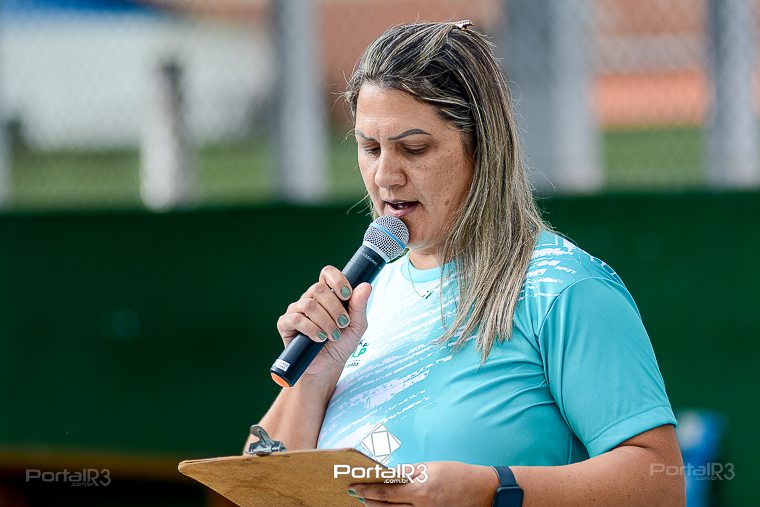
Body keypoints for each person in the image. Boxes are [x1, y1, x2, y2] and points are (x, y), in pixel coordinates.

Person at [247, 21, 685, 506]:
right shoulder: (365, 299)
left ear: (483, 147)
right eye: (370, 148)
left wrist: (492, 489)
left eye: (414, 148)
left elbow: (661, 483)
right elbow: (262, 488)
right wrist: (314, 378)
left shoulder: (562, 287)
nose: (385, 175)